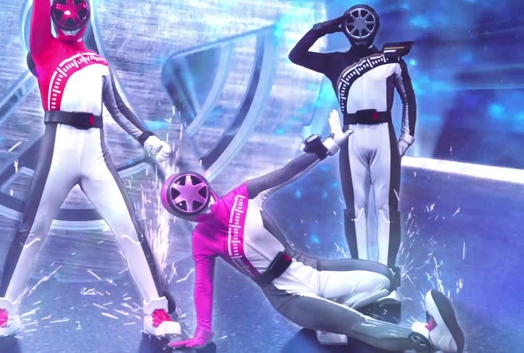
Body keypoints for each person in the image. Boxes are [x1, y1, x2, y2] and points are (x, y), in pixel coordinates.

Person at [0, 0, 180, 338]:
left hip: (95, 152)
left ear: (86, 20)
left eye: (77, 14)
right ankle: (3, 310)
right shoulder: (44, 50)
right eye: (64, 14)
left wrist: (147, 139)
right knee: (32, 231)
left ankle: (157, 311)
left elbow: (118, 109)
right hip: (58, 149)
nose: (70, 17)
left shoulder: (97, 62)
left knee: (129, 230)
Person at [163, 111, 464, 352]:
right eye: (191, 207)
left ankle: (329, 321)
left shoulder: (243, 195)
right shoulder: (202, 240)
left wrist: (330, 145)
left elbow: (287, 172)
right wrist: (203, 331)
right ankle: (426, 340)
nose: (204, 206)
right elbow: (203, 286)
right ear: (185, 213)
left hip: (310, 269)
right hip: (288, 295)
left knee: (385, 278)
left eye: (201, 196)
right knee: (357, 325)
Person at [288, 5, 416, 275]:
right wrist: (325, 27)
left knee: (387, 207)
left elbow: (408, 98)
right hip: (351, 136)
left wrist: (406, 137)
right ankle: (362, 273)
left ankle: (387, 273)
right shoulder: (335, 62)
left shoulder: (392, 60)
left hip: (384, 134)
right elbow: (296, 55)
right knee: (356, 209)